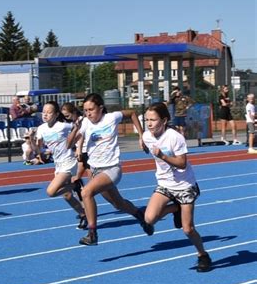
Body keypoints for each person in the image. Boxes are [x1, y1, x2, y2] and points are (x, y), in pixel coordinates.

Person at [68, 93, 153, 245]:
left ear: (100, 108)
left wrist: (141, 136)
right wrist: (75, 129)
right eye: (85, 110)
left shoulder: (111, 118)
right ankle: (140, 216)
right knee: (118, 204)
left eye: (91, 109)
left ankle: (92, 233)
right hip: (95, 171)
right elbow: (68, 144)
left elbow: (132, 113)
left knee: (86, 192)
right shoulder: (85, 123)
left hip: (112, 169)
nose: (88, 113)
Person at [141, 102, 212, 272]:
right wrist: (142, 142)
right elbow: (146, 144)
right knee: (149, 219)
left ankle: (203, 255)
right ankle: (176, 209)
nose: (149, 123)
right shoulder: (147, 136)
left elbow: (182, 163)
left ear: (164, 120)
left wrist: (163, 156)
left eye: (153, 120)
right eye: (147, 120)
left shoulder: (175, 137)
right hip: (165, 184)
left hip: (184, 186)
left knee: (188, 229)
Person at [35, 101, 87, 229]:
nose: (45, 114)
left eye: (49, 112)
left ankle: (75, 184)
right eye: (44, 112)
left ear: (56, 114)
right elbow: (38, 149)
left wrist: (79, 149)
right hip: (58, 164)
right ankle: (83, 215)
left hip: (68, 162)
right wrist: (32, 142)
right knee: (67, 195)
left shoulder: (63, 126)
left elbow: (79, 134)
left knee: (51, 192)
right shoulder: (41, 129)